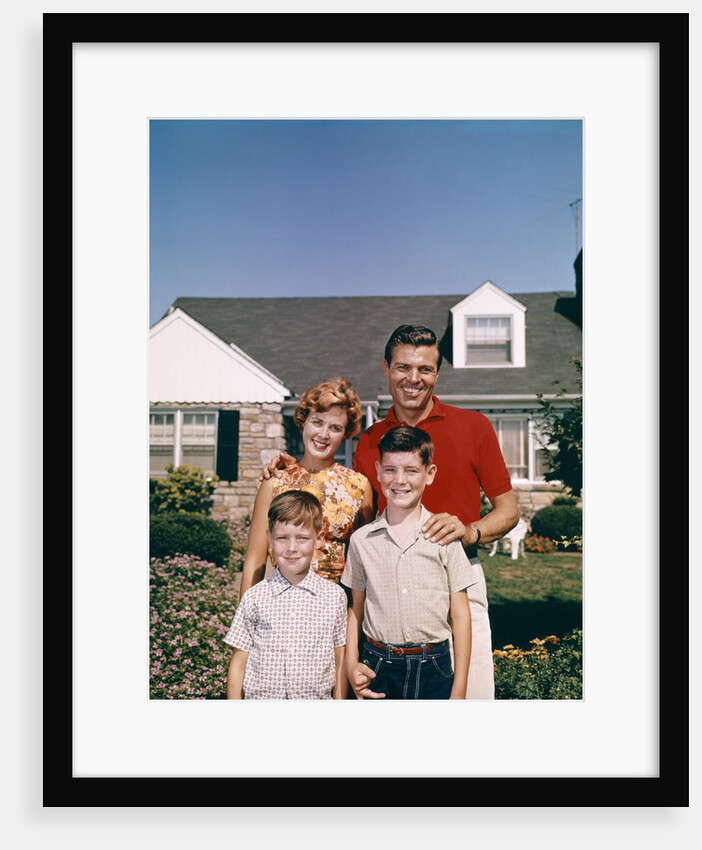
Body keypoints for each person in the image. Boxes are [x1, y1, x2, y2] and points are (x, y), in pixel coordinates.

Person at [351, 324, 521, 700]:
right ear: (386, 369)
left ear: (437, 373)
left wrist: (469, 531)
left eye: (425, 369)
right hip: (389, 583)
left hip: (460, 574)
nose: (414, 378)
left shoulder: (474, 427)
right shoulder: (369, 441)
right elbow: (357, 520)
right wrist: (288, 472)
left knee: (470, 697)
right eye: (403, 367)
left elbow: (509, 511)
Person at [341, 425, 475, 700]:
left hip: (434, 667)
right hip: (376, 666)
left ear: (430, 474)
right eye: (390, 469)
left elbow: (460, 615)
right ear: (377, 471)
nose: (400, 480)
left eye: (411, 470)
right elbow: (355, 610)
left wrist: (459, 689)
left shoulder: (445, 537)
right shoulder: (361, 540)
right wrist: (351, 664)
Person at [240, 376, 374, 598]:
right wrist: (244, 620)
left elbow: (364, 565)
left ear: (345, 433)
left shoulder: (358, 486)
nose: (323, 434)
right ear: (304, 421)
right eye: (318, 422)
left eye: (335, 427)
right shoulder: (275, 483)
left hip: (336, 607)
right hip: (282, 602)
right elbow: (254, 561)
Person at [225, 490, 348, 699]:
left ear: (318, 539)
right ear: (270, 539)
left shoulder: (334, 597)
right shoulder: (254, 597)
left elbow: (340, 661)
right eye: (282, 538)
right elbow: (239, 662)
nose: (292, 548)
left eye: (302, 538)